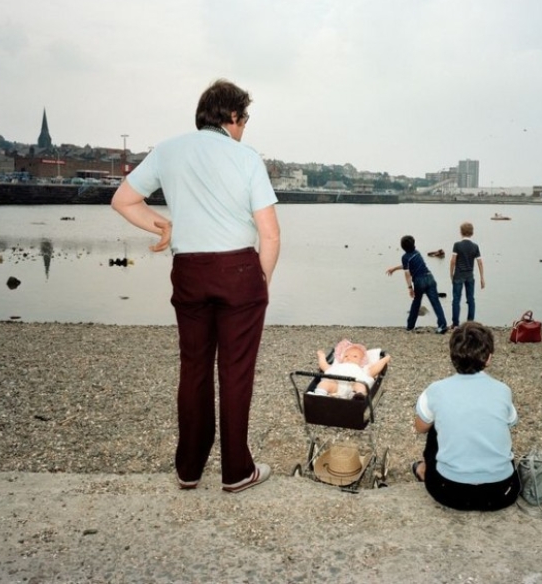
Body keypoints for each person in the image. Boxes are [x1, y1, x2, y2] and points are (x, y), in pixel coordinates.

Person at [111, 79, 280, 493]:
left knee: (194, 369)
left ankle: (189, 468)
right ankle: (237, 471)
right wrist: (261, 281)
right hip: (238, 270)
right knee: (236, 373)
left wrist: (163, 224)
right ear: (234, 116)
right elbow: (270, 235)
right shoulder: (245, 157)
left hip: (188, 270)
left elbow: (123, 200)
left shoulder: (169, 149)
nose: (245, 128)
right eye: (245, 120)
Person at [411, 322, 521, 511]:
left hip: (449, 492)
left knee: (434, 426)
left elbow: (420, 427)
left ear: (453, 357)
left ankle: (424, 469)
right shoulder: (503, 390)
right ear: (488, 359)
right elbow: (511, 422)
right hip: (502, 493)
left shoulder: (436, 390)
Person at [386, 235, 448, 333]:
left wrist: (410, 287)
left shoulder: (405, 257)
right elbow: (408, 265)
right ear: (413, 244)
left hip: (419, 281)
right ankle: (443, 325)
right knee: (436, 303)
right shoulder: (417, 253)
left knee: (416, 303)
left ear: (403, 247)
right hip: (430, 277)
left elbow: (407, 273)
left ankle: (410, 326)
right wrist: (394, 269)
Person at [313, 340, 391, 399]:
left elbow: (374, 369)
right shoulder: (336, 366)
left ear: (362, 361)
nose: (349, 357)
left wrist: (385, 359)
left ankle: (357, 395)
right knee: (324, 383)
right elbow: (324, 365)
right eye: (346, 356)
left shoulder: (363, 368)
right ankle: (319, 396)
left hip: (353, 386)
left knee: (361, 385)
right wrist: (321, 356)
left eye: (355, 356)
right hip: (336, 385)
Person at [450, 222, 485, 327]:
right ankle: (470, 322)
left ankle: (455, 323)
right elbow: (479, 262)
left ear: (461, 232)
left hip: (459, 275)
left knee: (456, 299)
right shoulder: (475, 246)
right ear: (472, 233)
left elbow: (453, 261)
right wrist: (482, 277)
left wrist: (451, 274)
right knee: (470, 299)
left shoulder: (457, 245)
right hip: (470, 275)